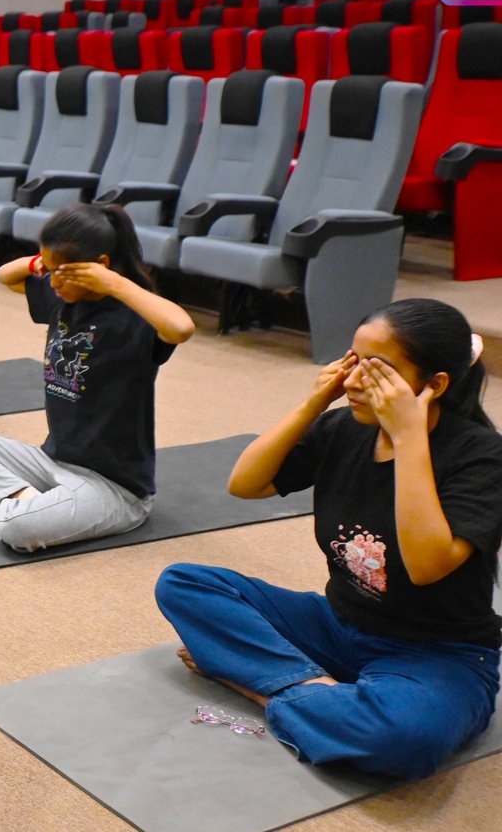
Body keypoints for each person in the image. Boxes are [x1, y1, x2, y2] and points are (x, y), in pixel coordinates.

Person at [155, 298, 502, 781]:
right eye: (353, 361)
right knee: (184, 583)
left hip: (437, 653)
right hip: (338, 626)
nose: (355, 380)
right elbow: (246, 484)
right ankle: (324, 696)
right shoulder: (346, 428)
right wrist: (314, 402)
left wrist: (408, 439)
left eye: (377, 371)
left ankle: (265, 688)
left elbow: (426, 566)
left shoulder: (482, 456)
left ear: (435, 384)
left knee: (402, 740)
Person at [0, 203, 195, 552]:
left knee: (15, 527)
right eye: (48, 272)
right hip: (51, 461)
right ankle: (24, 496)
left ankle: (29, 508)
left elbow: (182, 327)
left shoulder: (137, 319)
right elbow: (8, 273)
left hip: (113, 487)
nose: (51, 283)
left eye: (60, 273)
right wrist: (46, 263)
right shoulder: (64, 297)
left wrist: (113, 283)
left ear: (99, 268)